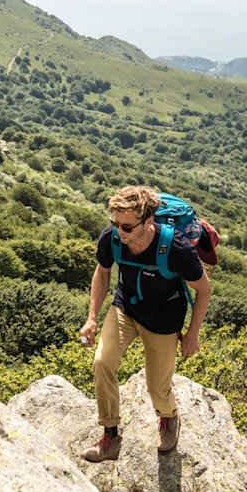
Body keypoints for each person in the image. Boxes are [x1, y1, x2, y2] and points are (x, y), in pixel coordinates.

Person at [78, 186, 212, 461]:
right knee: (103, 362)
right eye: (114, 223)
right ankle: (110, 436)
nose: (118, 231)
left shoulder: (175, 248)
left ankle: (169, 417)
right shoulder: (111, 238)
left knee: (157, 387)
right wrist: (92, 317)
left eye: (126, 227)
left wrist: (192, 335)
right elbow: (102, 274)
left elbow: (204, 289)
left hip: (163, 319)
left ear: (148, 221)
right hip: (126, 307)